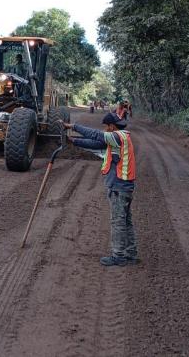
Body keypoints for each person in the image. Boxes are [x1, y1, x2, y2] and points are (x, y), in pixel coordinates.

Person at [64, 113, 138, 267]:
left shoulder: (117, 137)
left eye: (106, 127)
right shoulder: (120, 139)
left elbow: (96, 135)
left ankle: (118, 256)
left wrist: (74, 127)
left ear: (112, 126)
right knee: (126, 222)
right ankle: (131, 254)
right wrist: (74, 141)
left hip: (119, 187)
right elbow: (95, 143)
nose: (105, 129)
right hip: (124, 187)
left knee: (118, 222)